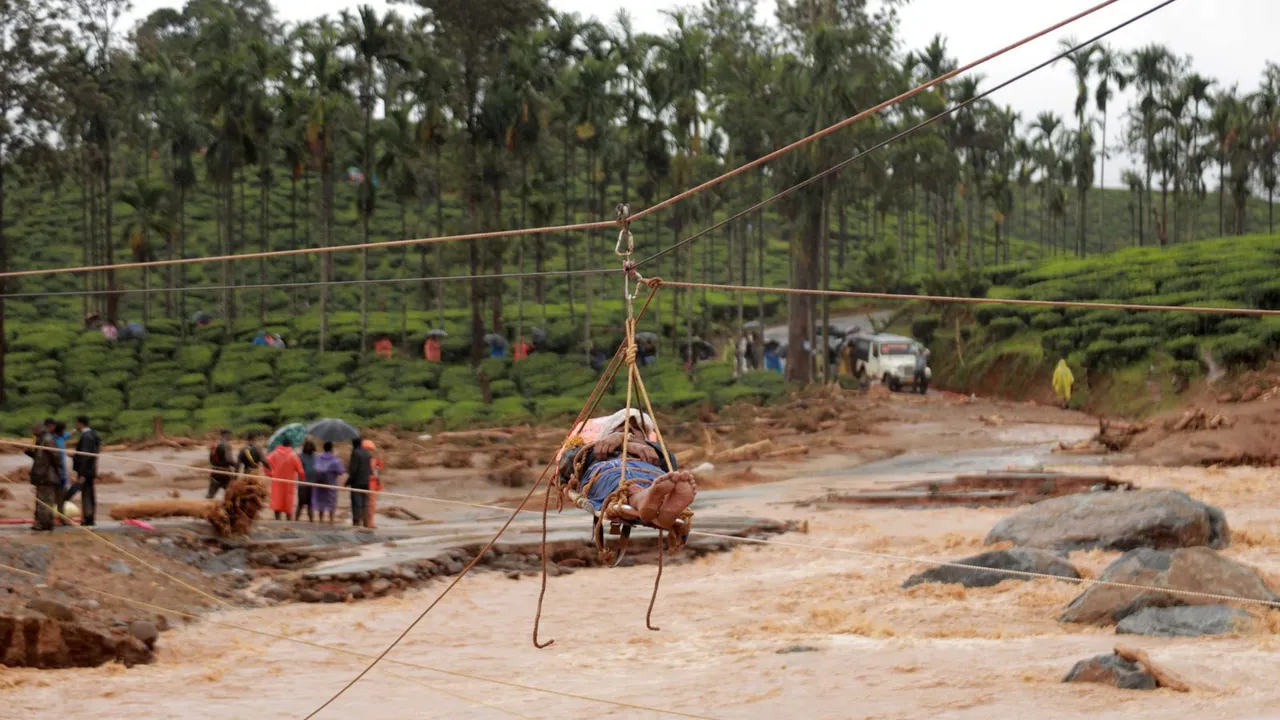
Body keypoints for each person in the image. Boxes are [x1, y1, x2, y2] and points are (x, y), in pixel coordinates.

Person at [558, 411, 696, 537]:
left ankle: (658, 503)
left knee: (657, 481)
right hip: (609, 471)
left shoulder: (654, 451)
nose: (628, 430)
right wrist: (620, 444)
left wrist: (636, 444)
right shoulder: (594, 450)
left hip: (650, 474)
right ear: (607, 433)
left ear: (645, 436)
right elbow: (566, 463)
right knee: (620, 482)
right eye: (621, 426)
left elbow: (670, 463)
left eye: (636, 428)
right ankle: (646, 501)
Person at [65, 416, 101, 526]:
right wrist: (74, 456)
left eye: (76, 423)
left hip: (86, 471)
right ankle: (88, 517)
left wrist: (82, 473)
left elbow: (85, 456)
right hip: (90, 470)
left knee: (85, 494)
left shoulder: (86, 437)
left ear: (80, 424)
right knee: (88, 493)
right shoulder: (93, 434)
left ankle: (88, 518)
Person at [25, 423, 61, 532]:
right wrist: (30, 452)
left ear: (38, 429)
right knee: (41, 501)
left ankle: (44, 524)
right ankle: (43, 523)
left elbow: (56, 457)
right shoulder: (40, 440)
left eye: (33, 430)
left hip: (47, 476)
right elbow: (39, 457)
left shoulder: (48, 440)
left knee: (45, 502)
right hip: (41, 476)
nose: (32, 433)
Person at [266, 437, 305, 522]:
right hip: (289, 484)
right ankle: (289, 522)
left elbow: (266, 463)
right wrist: (302, 479)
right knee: (288, 503)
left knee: (277, 502)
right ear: (290, 445)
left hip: (277, 483)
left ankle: (277, 521)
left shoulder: (274, 454)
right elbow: (300, 470)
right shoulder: (293, 455)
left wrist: (269, 474)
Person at [312, 441, 345, 525]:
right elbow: (341, 471)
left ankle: (321, 521)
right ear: (331, 448)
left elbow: (315, 469)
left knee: (321, 503)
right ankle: (331, 521)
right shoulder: (335, 460)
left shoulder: (318, 458)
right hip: (331, 485)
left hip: (320, 485)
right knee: (331, 503)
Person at [347, 437, 374, 528]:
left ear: (353, 444)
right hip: (366, 481)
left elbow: (354, 470)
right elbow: (370, 469)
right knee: (365, 503)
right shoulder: (367, 453)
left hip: (357, 482)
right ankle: (366, 523)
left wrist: (348, 481)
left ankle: (356, 523)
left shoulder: (355, 453)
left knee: (356, 503)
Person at [207, 429, 236, 499]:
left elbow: (211, 460)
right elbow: (229, 460)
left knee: (210, 496)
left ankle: (204, 507)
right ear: (227, 435)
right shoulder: (226, 445)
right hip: (225, 473)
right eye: (230, 436)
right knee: (232, 496)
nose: (230, 438)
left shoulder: (216, 444)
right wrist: (236, 466)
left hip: (215, 473)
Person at [363, 440, 384, 529]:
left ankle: (368, 523)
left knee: (370, 504)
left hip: (372, 484)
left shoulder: (374, 460)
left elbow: (379, 468)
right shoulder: (367, 461)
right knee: (369, 504)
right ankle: (368, 523)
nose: (370, 452)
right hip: (369, 484)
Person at [297, 441, 318, 523]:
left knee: (310, 504)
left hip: (312, 483)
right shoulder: (300, 457)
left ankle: (311, 521)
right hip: (303, 483)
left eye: (310, 447)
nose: (309, 448)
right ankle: (296, 520)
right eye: (307, 446)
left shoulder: (315, 457)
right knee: (301, 504)